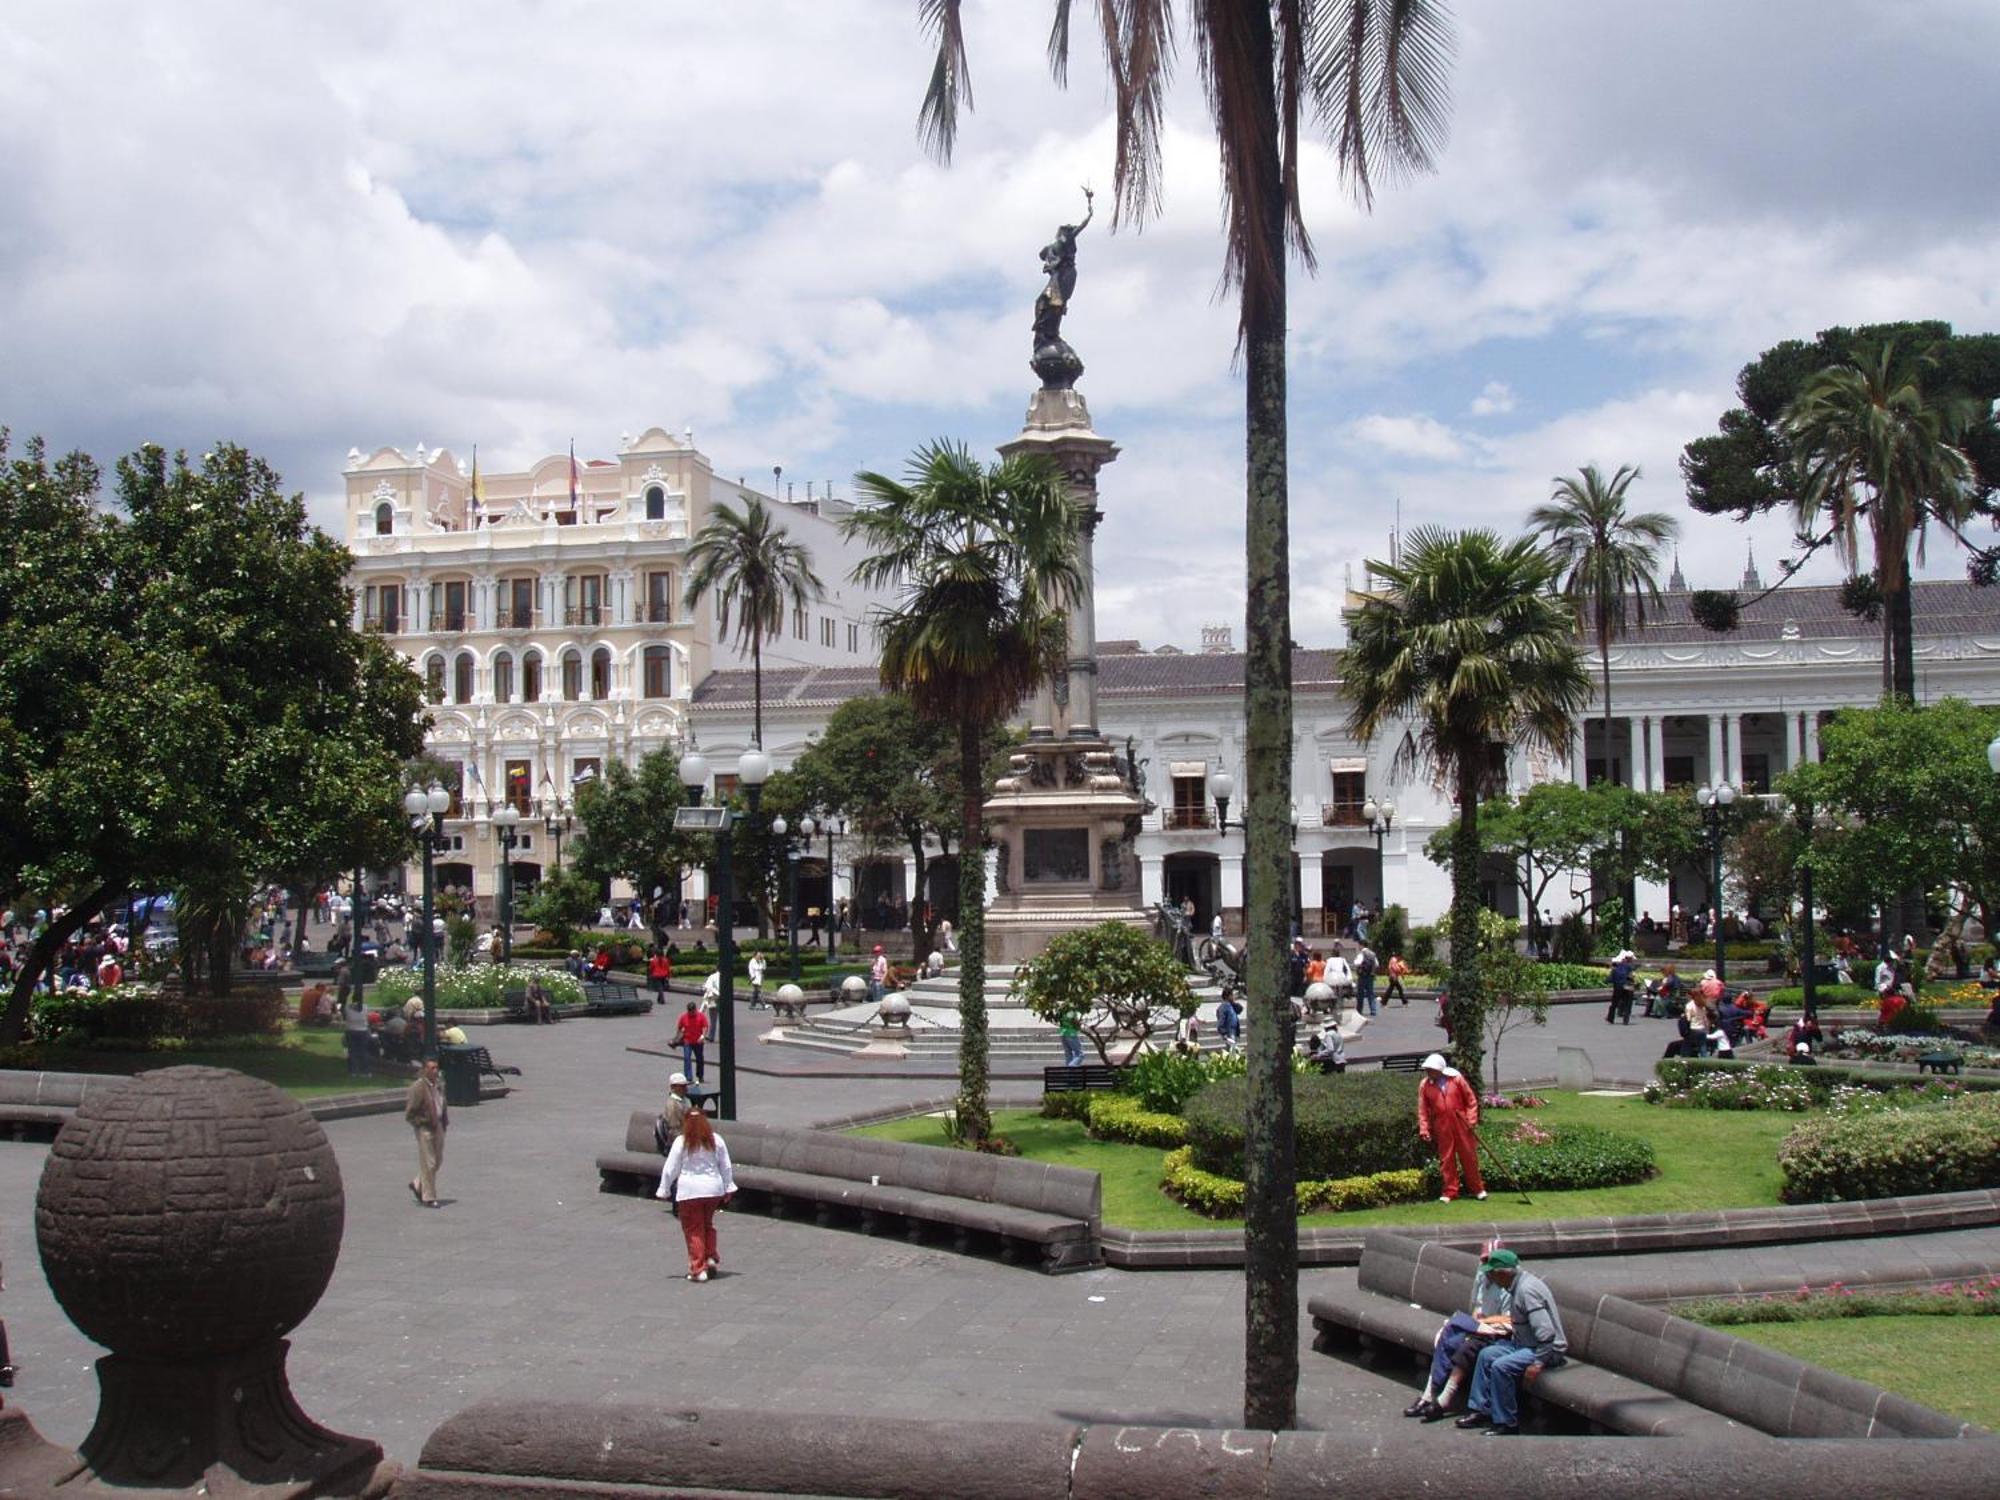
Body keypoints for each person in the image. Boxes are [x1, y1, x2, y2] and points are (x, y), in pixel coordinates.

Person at [1455, 1249, 1567, 1436]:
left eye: (1492, 1273)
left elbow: (1547, 1334)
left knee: (1501, 1366)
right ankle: (1481, 1410)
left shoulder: (1527, 1291)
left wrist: (1538, 1363)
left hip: (1545, 1350)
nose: (1490, 1277)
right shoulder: (1515, 1285)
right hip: (1525, 1344)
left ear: (1503, 1273)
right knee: (1486, 1354)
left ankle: (1507, 1423)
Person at [1405, 1238, 1515, 1420]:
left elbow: (1509, 1320)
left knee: (1466, 1345)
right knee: (1447, 1336)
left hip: (1498, 1333)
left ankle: (1444, 1398)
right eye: (1484, 1260)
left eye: (1491, 1261)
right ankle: (1428, 1395)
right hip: (1479, 1328)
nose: (1487, 1266)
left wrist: (1484, 1323)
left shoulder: (1506, 1284)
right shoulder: (1482, 1275)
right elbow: (1475, 1307)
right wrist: (1474, 1322)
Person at [656, 1109, 736, 1282]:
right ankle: (710, 1257)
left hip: (690, 1191)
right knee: (707, 1224)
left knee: (693, 1228)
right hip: (713, 1189)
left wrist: (664, 1189)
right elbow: (726, 1165)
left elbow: (671, 1167)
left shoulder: (682, 1141)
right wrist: (728, 1186)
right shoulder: (716, 1139)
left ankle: (698, 1268)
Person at [1418, 1053, 1485, 1204]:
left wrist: (1471, 1119)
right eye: (1427, 1069)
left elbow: (1471, 1100)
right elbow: (1423, 1109)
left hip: (1462, 1124)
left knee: (1469, 1157)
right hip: (1442, 1126)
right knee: (1446, 1159)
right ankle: (1450, 1190)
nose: (1428, 1072)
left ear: (1440, 1069)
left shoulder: (1456, 1079)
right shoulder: (1425, 1085)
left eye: (1431, 1069)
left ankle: (1477, 1189)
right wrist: (1424, 1128)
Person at [404, 1057, 448, 1208]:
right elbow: (410, 1113)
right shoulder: (418, 1087)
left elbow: (442, 1104)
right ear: (424, 1070)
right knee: (429, 1163)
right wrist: (421, 1124)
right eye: (431, 1068)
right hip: (426, 1129)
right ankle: (429, 1197)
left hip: (439, 1126)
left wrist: (444, 1123)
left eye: (436, 1068)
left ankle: (417, 1183)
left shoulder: (439, 1085)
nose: (435, 1071)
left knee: (438, 1161)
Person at [654, 1072, 696, 1152]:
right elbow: (674, 1130)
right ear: (673, 1087)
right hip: (678, 1145)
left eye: (686, 1086)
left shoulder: (683, 1100)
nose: (686, 1089)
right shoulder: (672, 1105)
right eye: (682, 1086)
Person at [675, 999, 709, 1083]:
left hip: (698, 1041)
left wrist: (703, 1036)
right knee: (687, 1058)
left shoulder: (701, 1016)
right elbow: (679, 1027)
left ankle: (700, 1076)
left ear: (695, 1010)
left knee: (700, 1059)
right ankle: (688, 1077)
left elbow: (705, 1027)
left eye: (692, 1012)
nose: (691, 1013)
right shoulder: (684, 1017)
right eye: (689, 1012)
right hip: (687, 1041)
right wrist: (677, 1038)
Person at [341, 991, 372, 1077]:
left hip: (351, 1030)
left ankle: (353, 1071)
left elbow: (344, 1013)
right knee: (363, 1051)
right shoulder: (365, 1007)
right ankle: (366, 1071)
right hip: (363, 1030)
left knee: (352, 1051)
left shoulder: (347, 1007)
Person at [1605, 949, 1636, 1026]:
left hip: (1618, 987)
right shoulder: (1629, 967)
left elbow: (1609, 979)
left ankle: (1610, 1018)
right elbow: (1631, 977)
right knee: (1627, 1003)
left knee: (1614, 1003)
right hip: (1627, 987)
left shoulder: (1615, 969)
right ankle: (1626, 1020)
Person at [1354, 943, 1380, 1017]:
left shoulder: (1361, 954)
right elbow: (1377, 964)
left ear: (1362, 945)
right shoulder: (1373, 954)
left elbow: (1357, 963)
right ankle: (1373, 1010)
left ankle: (1359, 1010)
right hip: (1370, 976)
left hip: (1362, 976)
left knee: (1360, 994)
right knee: (1371, 994)